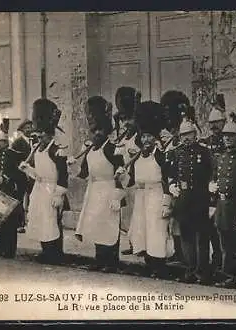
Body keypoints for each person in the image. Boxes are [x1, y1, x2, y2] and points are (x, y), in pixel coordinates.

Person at [118, 101, 173, 279]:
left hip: (156, 195)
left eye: (150, 137)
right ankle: (149, 263)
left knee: (156, 230)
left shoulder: (160, 155)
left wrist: (167, 202)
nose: (146, 140)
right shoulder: (138, 156)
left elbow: (167, 179)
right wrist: (121, 174)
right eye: (144, 137)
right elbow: (132, 180)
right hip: (141, 196)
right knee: (143, 230)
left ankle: (159, 265)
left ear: (155, 138)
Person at [74, 96, 126, 273]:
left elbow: (121, 171)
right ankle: (99, 258)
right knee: (96, 224)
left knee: (109, 225)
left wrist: (118, 196)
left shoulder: (112, 148)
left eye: (98, 132)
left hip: (109, 189)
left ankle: (112, 261)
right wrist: (71, 164)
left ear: (105, 132)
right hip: (94, 190)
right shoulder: (90, 149)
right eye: (93, 131)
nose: (95, 134)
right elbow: (83, 173)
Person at [18, 99, 69, 265]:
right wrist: (28, 169)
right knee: (40, 219)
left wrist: (59, 195)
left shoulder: (57, 150)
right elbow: (39, 174)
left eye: (43, 135)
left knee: (52, 221)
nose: (40, 138)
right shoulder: (37, 149)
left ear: (50, 134)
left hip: (52, 190)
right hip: (40, 189)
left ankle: (56, 253)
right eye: (38, 135)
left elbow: (63, 174)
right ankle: (45, 251)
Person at [167, 114, 213, 284]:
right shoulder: (176, 153)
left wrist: (211, 199)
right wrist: (172, 185)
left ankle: (202, 272)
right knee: (186, 236)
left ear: (195, 134)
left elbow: (211, 174)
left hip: (200, 199)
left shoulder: (204, 152)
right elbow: (171, 175)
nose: (186, 138)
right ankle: (190, 269)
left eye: (188, 134)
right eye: (182, 135)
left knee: (201, 237)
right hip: (184, 199)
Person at [210, 110, 236, 290]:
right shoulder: (220, 158)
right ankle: (229, 275)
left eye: (232, 136)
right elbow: (214, 177)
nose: (227, 139)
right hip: (222, 205)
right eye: (226, 136)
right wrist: (211, 188)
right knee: (226, 244)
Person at [160, 90, 190, 265]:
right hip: (171, 179)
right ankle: (178, 252)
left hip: (183, 180)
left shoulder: (185, 129)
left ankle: (185, 253)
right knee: (174, 219)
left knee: (182, 219)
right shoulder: (169, 133)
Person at [200, 94, 228, 274]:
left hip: (225, 192)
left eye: (217, 123)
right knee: (210, 228)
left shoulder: (229, 141)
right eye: (211, 124)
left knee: (225, 229)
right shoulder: (206, 143)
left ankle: (226, 262)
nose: (213, 127)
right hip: (209, 192)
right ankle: (216, 258)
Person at [112, 87, 140, 256]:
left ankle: (138, 243)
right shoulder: (122, 138)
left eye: (128, 119)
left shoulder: (139, 138)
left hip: (136, 181)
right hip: (124, 180)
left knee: (138, 214)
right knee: (128, 214)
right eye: (123, 120)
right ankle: (131, 242)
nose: (125, 124)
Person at [0, 131, 24, 259]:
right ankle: (0, 246)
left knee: (10, 222)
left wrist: (6, 178)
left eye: (0, 141)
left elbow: (20, 173)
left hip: (11, 191)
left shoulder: (14, 155)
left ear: (6, 142)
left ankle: (10, 250)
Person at [11, 119, 34, 233]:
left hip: (33, 175)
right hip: (21, 175)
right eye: (27, 127)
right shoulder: (17, 142)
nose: (29, 129)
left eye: (30, 127)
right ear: (22, 130)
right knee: (19, 199)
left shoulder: (35, 141)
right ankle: (19, 224)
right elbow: (13, 160)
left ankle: (32, 223)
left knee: (33, 198)